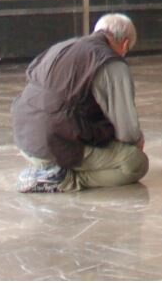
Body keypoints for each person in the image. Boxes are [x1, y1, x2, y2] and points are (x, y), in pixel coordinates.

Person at [12, 12, 149, 193]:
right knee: (136, 163)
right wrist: (136, 142)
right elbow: (127, 132)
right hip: (55, 143)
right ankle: (64, 179)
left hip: (25, 139)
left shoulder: (62, 47)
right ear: (124, 44)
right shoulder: (111, 62)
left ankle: (48, 170)